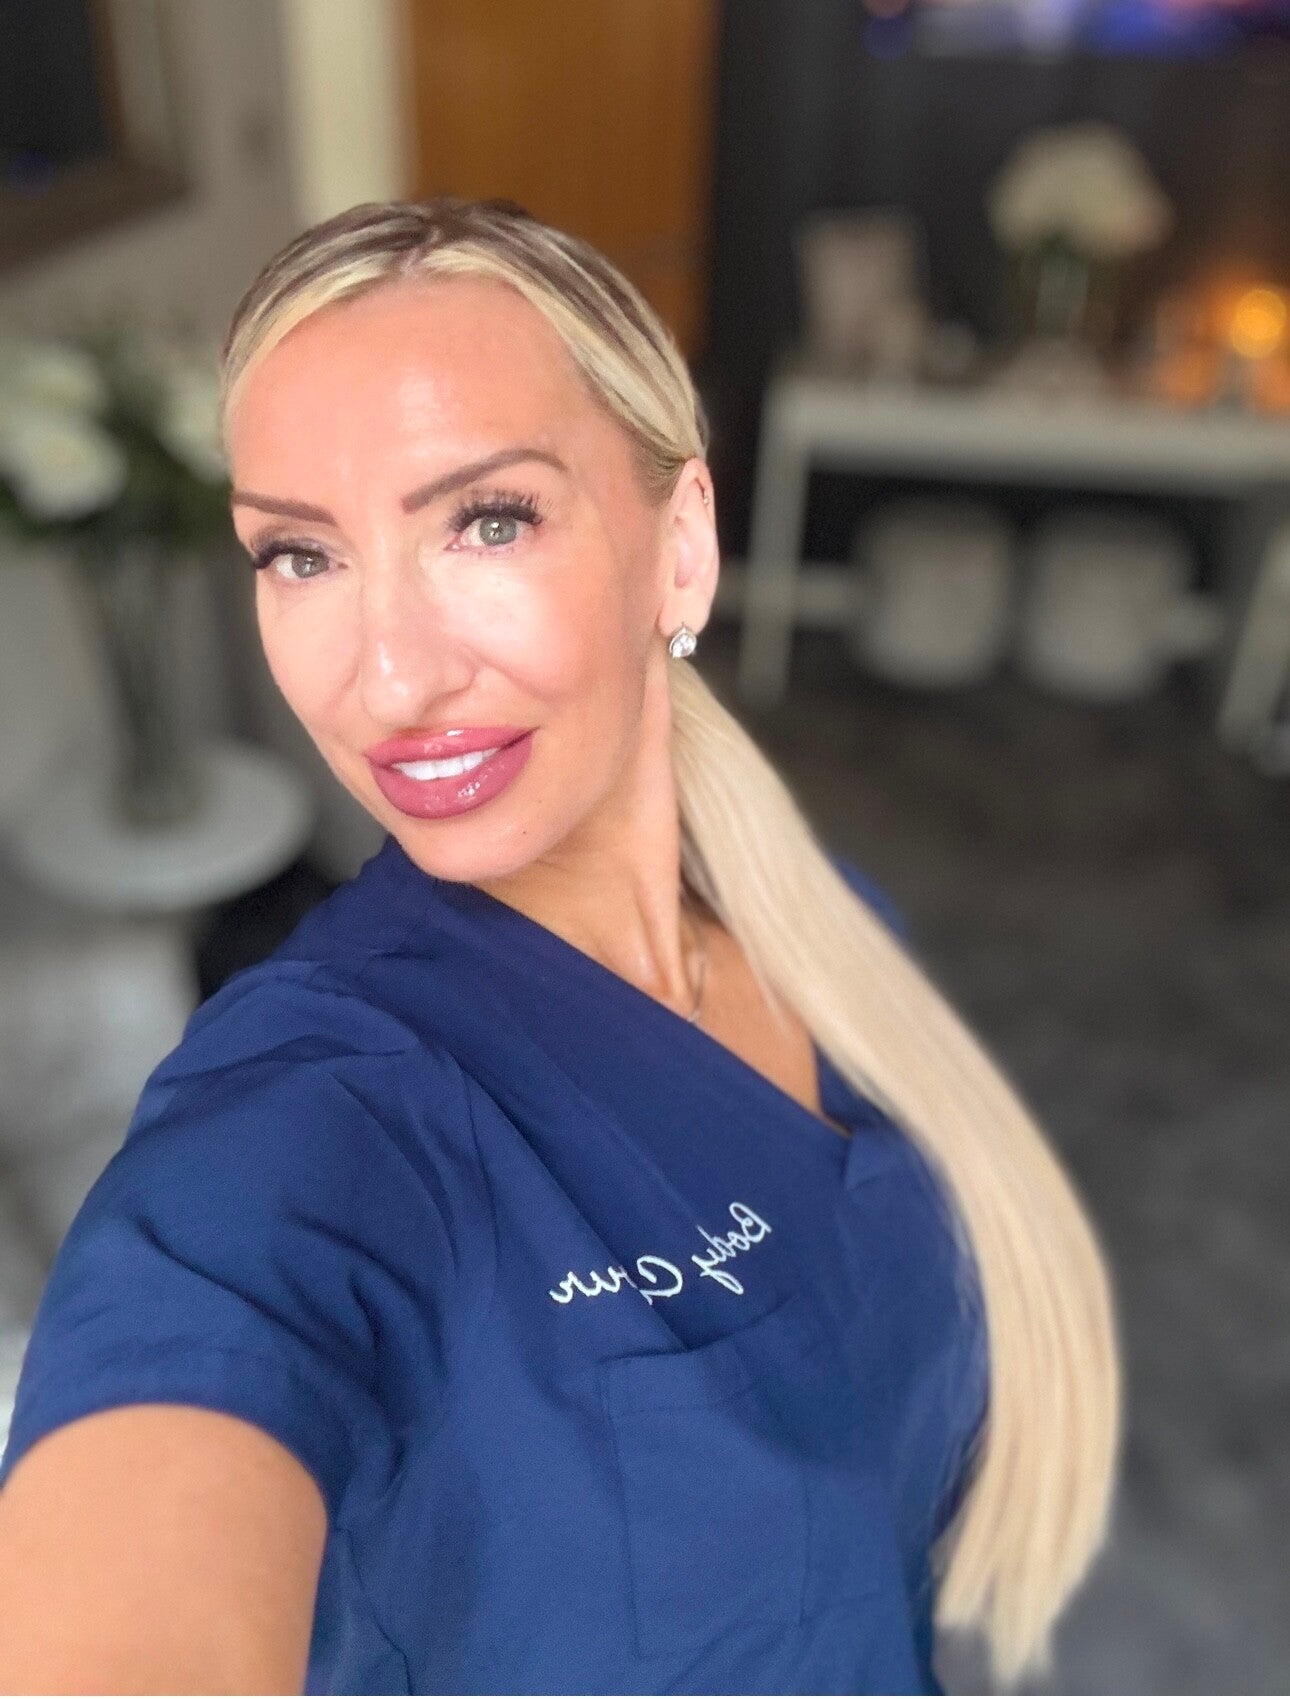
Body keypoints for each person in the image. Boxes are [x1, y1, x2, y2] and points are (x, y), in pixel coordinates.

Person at [0, 198, 1121, 1695]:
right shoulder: (313, 1111)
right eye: (300, 554)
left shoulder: (833, 926)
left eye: (488, 520)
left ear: (680, 548)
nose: (387, 679)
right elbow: (170, 1435)